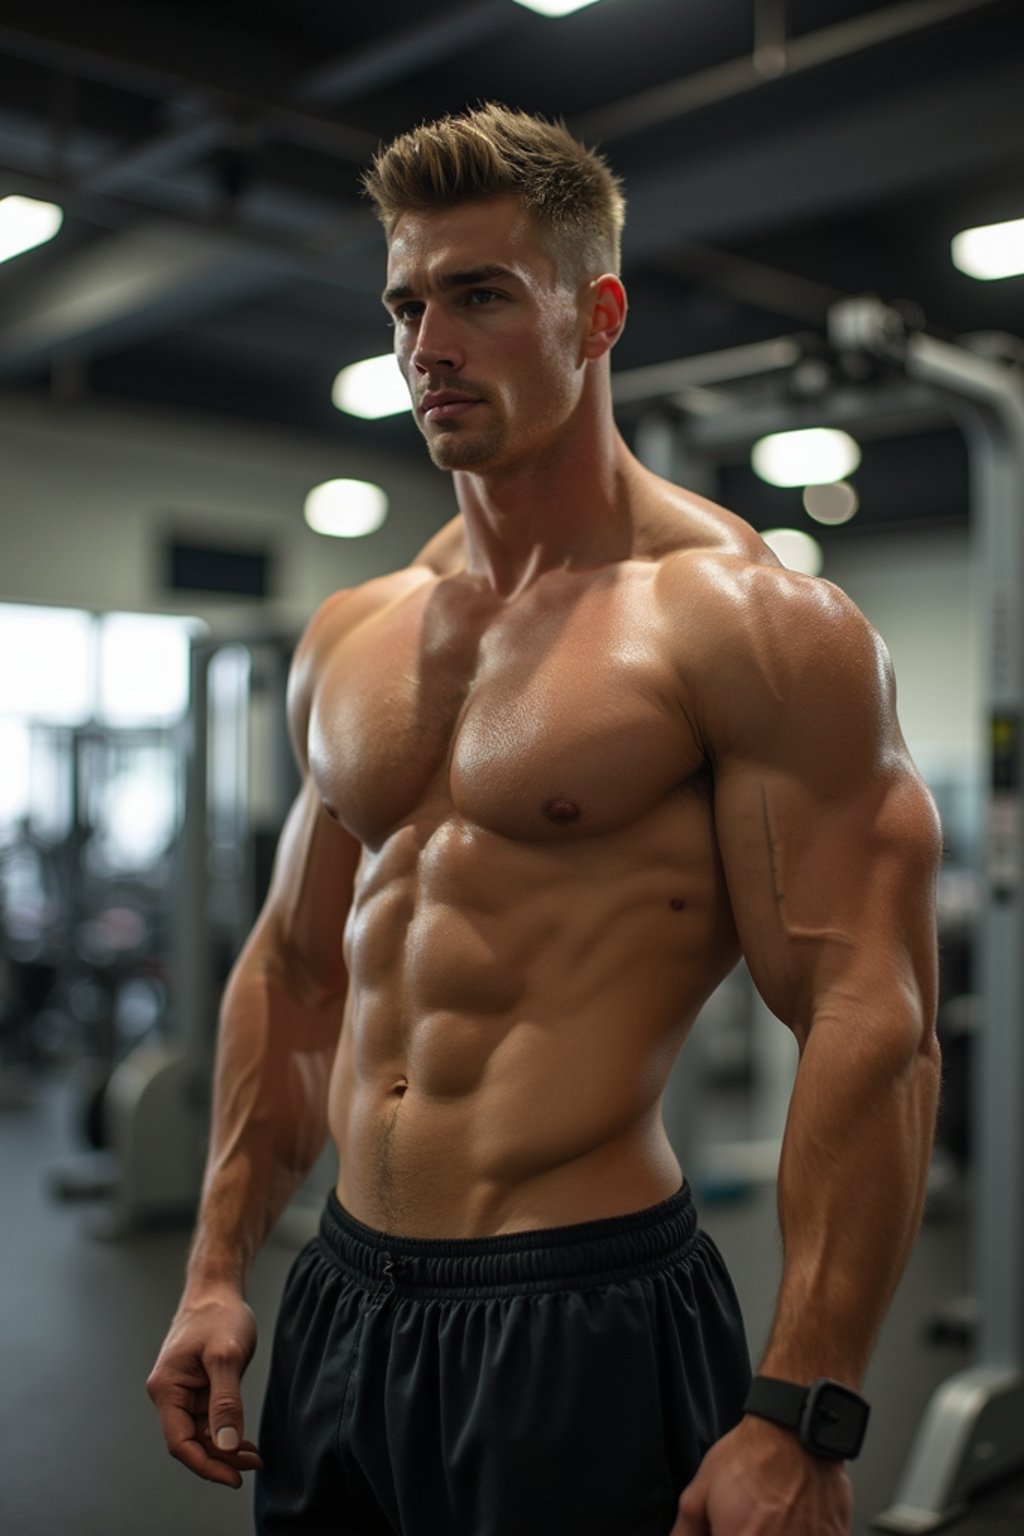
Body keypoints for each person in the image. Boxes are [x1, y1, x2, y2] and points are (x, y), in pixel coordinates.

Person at [147, 103, 941, 1536]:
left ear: (599, 313)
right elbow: (297, 969)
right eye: (405, 303)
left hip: (580, 1312)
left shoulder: (745, 625)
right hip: (341, 1298)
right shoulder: (357, 632)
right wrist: (217, 1272)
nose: (426, 345)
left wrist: (805, 1415)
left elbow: (864, 1013)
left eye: (480, 296)